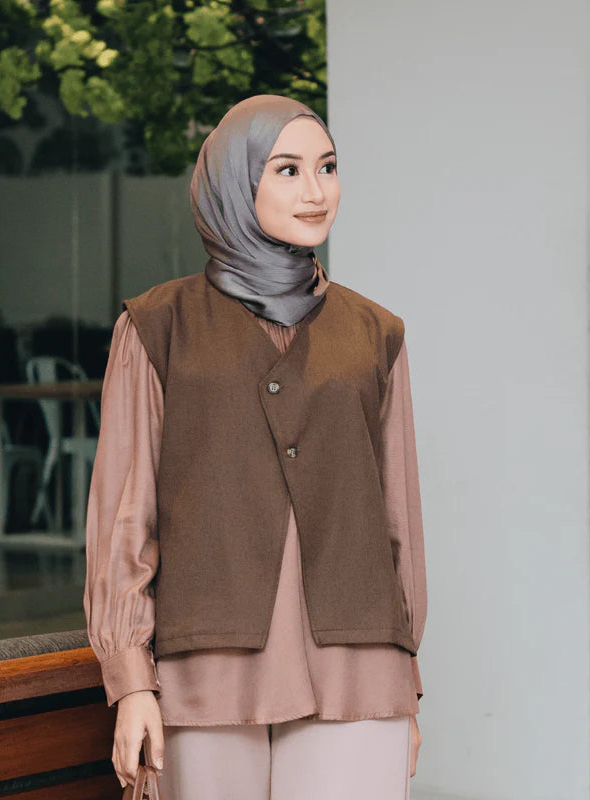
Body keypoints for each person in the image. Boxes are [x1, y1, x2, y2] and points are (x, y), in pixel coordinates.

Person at [84, 94, 427, 800]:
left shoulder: (375, 333)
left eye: (327, 167)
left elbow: (400, 520)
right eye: (288, 169)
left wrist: (406, 683)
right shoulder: (157, 326)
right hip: (204, 660)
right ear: (235, 182)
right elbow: (125, 517)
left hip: (356, 663)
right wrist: (130, 684)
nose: (316, 190)